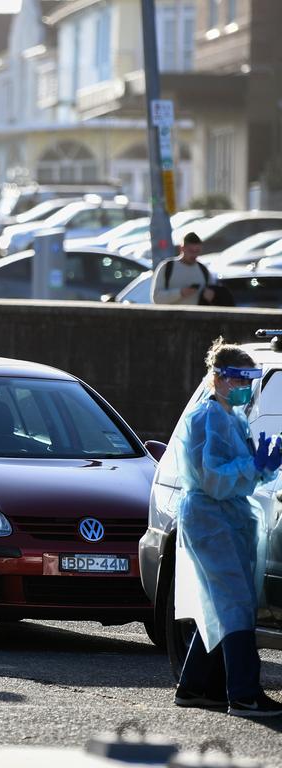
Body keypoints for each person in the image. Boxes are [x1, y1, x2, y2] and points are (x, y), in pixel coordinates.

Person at [172, 337, 282, 717]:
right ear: (218, 378)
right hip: (210, 519)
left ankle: (195, 688)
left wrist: (263, 466)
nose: (245, 387)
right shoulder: (207, 418)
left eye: (251, 379)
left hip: (225, 518)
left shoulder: (232, 418)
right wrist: (254, 466)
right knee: (235, 604)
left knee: (222, 605)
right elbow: (213, 478)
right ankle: (244, 695)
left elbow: (237, 480)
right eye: (240, 379)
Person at [151, 232, 216, 305]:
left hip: (196, 316)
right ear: (182, 248)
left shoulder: (203, 270)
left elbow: (214, 296)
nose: (194, 254)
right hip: (171, 316)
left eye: (197, 251)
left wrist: (210, 296)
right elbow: (156, 298)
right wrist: (180, 293)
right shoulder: (167, 267)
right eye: (191, 251)